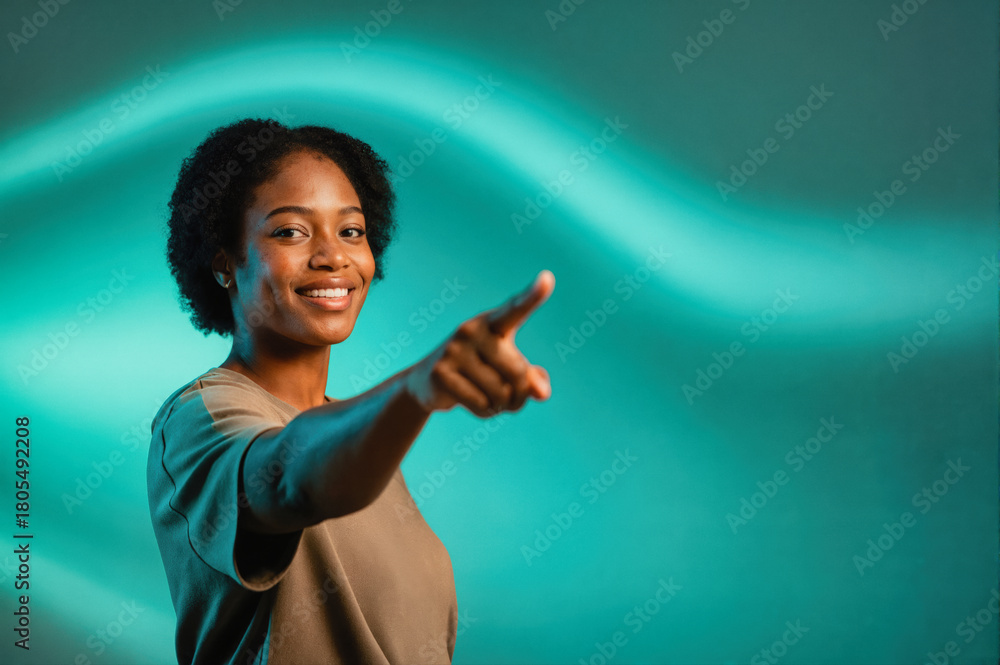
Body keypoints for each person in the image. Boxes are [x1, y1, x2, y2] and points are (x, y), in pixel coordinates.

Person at [145, 117, 554, 665]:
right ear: (224, 262)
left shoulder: (359, 431)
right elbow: (288, 479)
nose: (333, 256)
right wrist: (415, 388)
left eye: (352, 231)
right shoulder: (201, 417)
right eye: (290, 231)